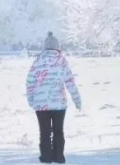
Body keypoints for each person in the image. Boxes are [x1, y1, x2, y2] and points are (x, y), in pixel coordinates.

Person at [26, 31, 82, 163]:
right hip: (59, 104)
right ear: (57, 46)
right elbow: (70, 82)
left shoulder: (37, 61)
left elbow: (30, 82)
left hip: (41, 104)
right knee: (58, 131)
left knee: (44, 132)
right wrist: (77, 100)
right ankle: (59, 157)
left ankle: (46, 157)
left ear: (44, 47)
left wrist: (31, 99)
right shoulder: (62, 61)